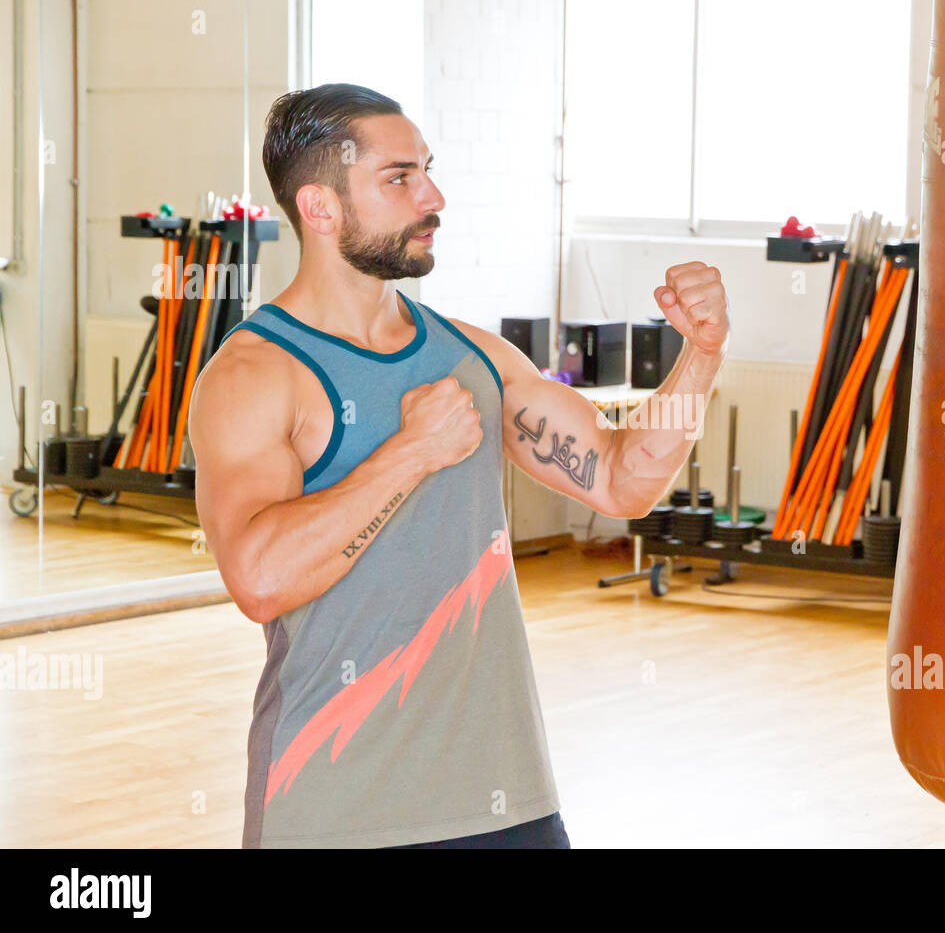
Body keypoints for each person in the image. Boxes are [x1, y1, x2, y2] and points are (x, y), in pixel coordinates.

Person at [187, 83, 730, 849]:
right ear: (320, 208)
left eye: (428, 171)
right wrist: (409, 453)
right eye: (400, 178)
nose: (433, 196)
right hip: (338, 807)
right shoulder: (254, 374)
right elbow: (260, 579)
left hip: (506, 798)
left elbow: (621, 479)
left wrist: (700, 356)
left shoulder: (469, 355)